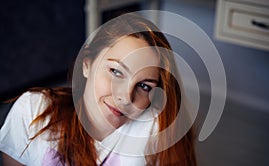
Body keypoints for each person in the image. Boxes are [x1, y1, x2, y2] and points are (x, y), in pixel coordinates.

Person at [0, 13, 197, 165]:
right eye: (116, 72)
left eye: (144, 86)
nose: (125, 97)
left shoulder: (152, 131)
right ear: (86, 65)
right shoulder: (33, 110)